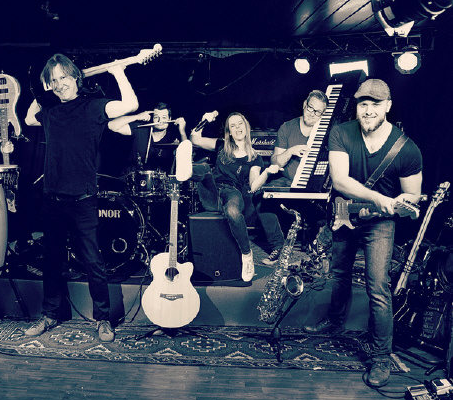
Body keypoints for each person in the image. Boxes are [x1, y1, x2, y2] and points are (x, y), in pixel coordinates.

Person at [303, 79, 422, 389]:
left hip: (380, 223)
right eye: (363, 104)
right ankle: (335, 319)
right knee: (340, 273)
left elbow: (412, 196)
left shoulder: (407, 149)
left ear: (388, 106)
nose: (368, 111)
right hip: (344, 211)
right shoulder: (341, 133)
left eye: (375, 104)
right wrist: (378, 198)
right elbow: (340, 180)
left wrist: (400, 204)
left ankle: (381, 357)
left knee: (378, 286)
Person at [24, 53, 138, 342]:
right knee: (51, 260)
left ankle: (103, 319)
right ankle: (49, 314)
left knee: (93, 261)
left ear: (76, 77)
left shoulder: (93, 107)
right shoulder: (50, 112)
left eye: (64, 77)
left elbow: (131, 105)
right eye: (54, 80)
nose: (60, 84)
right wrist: (42, 91)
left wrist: (118, 72)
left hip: (83, 199)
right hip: (52, 198)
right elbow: (27, 118)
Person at [190, 111, 285, 282]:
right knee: (205, 169)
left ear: (246, 127)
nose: (237, 128)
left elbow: (254, 185)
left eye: (240, 124)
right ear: (229, 132)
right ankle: (187, 171)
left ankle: (246, 255)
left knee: (233, 211)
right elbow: (194, 139)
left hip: (232, 192)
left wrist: (267, 172)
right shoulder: (221, 145)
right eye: (232, 126)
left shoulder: (254, 158)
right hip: (211, 192)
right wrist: (204, 120)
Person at [270, 89, 332, 255]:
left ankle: (318, 245)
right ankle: (277, 246)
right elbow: (275, 162)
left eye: (318, 112)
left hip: (313, 186)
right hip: (288, 182)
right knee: (260, 196)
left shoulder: (326, 133)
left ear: (323, 114)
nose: (312, 114)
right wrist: (291, 151)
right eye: (310, 108)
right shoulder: (287, 127)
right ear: (305, 104)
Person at [107, 102, 187, 173]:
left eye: (164, 117)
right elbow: (111, 126)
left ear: (170, 119)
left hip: (156, 182)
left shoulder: (172, 138)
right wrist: (137, 116)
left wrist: (182, 131)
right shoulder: (140, 129)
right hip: (131, 179)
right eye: (156, 117)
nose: (160, 121)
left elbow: (186, 156)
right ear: (152, 119)